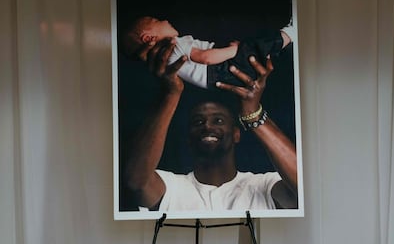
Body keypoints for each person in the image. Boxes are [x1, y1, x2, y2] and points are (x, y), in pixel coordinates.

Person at [124, 38, 298, 211]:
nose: (207, 126)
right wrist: (171, 93)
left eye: (219, 120)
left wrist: (252, 114)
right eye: (198, 122)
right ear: (188, 137)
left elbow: (303, 188)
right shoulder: (171, 187)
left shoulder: (265, 185)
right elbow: (136, 182)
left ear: (236, 134)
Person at [120, 16, 293, 89]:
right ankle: (289, 34)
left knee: (256, 54)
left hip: (215, 79)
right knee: (254, 46)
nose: (165, 20)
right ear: (148, 38)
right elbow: (206, 58)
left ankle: (283, 42)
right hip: (217, 69)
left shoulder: (164, 57)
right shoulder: (175, 45)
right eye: (157, 21)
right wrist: (235, 50)